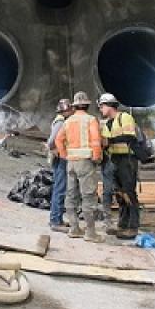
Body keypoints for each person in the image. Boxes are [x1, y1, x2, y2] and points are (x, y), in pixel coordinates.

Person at [54, 91, 104, 243]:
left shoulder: (68, 121)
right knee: (88, 196)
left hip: (71, 162)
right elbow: (96, 140)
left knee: (71, 195)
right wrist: (96, 157)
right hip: (85, 162)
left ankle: (74, 229)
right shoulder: (91, 120)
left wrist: (64, 155)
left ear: (74, 106)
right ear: (88, 105)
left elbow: (58, 140)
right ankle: (90, 233)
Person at [99, 93, 140, 238]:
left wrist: (109, 141)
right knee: (120, 193)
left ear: (110, 106)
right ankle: (122, 224)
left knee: (129, 192)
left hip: (127, 159)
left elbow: (130, 137)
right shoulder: (106, 123)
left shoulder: (125, 118)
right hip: (114, 159)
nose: (101, 109)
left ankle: (133, 226)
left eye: (102, 106)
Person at [47, 98, 73, 232]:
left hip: (61, 158)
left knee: (59, 188)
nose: (72, 111)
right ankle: (56, 221)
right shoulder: (61, 122)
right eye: (70, 109)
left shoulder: (61, 120)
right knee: (60, 189)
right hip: (61, 159)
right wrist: (55, 150)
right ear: (65, 110)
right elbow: (51, 141)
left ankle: (57, 218)